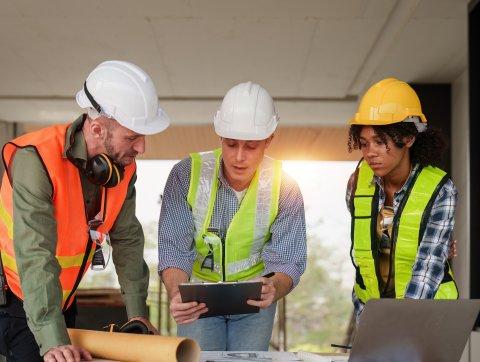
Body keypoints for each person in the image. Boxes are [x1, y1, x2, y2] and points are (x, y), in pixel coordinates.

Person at [0, 60, 170, 361]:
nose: (142, 147)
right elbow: (35, 253)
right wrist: (53, 340)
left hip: (61, 301)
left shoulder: (121, 170)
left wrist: (138, 315)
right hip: (18, 300)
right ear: (96, 128)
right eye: (132, 137)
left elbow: (128, 240)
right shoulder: (35, 160)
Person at [158, 81, 307, 351]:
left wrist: (275, 287)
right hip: (199, 299)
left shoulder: (285, 186)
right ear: (220, 137)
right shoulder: (186, 174)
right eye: (231, 144)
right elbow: (174, 250)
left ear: (268, 140)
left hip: (254, 304)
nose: (239, 156)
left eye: (251, 146)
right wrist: (177, 293)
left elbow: (288, 260)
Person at [346, 77, 458, 320]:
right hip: (371, 314)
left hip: (426, 315)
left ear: (408, 138)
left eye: (380, 142)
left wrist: (400, 324)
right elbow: (368, 246)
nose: (370, 153)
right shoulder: (358, 182)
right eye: (364, 143)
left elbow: (428, 265)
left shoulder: (440, 190)